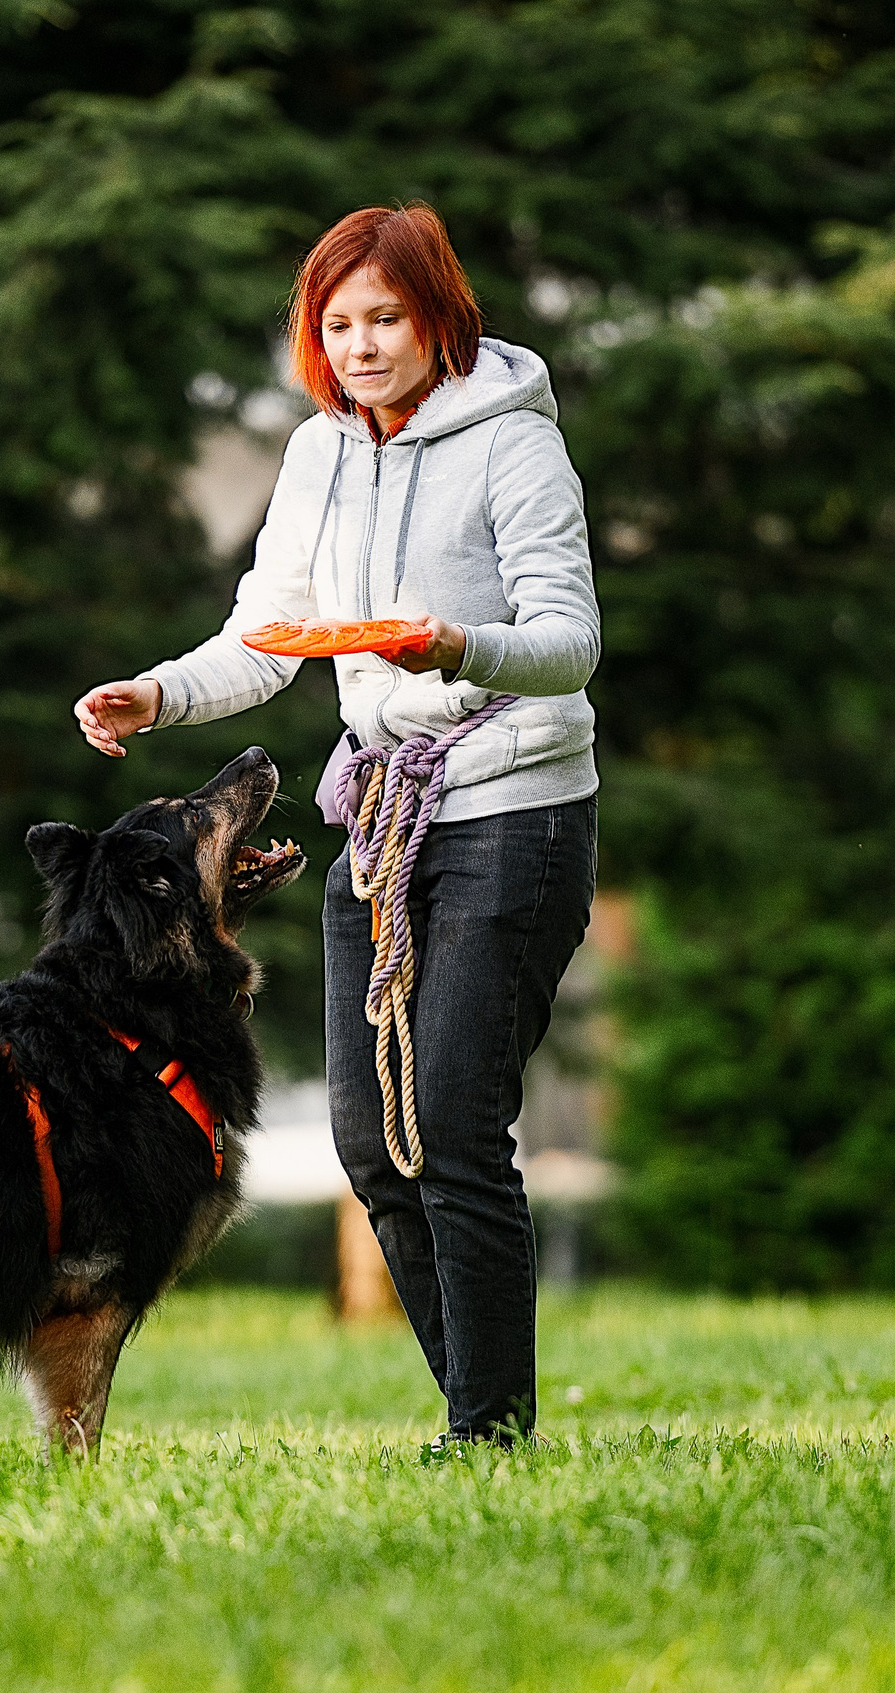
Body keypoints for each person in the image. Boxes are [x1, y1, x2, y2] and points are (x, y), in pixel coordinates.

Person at [75, 203, 599, 1445]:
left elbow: (571, 645)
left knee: (454, 1126)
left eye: (386, 318)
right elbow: (267, 636)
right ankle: (479, 1412)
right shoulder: (319, 453)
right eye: (338, 322)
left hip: (510, 811)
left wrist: (453, 644)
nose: (362, 344)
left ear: (437, 319)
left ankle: (488, 1431)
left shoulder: (515, 449)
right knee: (373, 1144)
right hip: (378, 815)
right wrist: (157, 693)